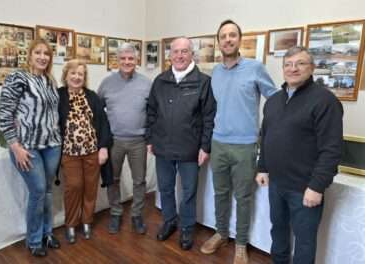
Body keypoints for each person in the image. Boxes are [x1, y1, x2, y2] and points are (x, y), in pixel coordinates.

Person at [256, 46, 343, 264]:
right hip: (276, 184)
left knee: (304, 241)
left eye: (300, 63)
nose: (293, 69)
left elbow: (331, 149)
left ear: (312, 68)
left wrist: (317, 186)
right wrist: (262, 167)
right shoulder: (274, 100)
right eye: (288, 64)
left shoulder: (325, 101)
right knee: (278, 232)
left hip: (305, 188)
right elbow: (265, 135)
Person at [200, 19, 277, 264]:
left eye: (232, 35)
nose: (228, 40)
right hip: (219, 143)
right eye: (223, 36)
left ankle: (241, 243)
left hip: (245, 146)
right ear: (219, 41)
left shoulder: (255, 68)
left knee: (243, 197)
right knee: (220, 193)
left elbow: (275, 103)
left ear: (239, 40)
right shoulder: (216, 73)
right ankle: (221, 233)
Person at [146, 37, 216, 250]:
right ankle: (169, 221)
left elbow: (208, 117)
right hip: (163, 147)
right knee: (165, 188)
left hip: (190, 149)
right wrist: (149, 138)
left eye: (184, 51)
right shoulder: (160, 80)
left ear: (191, 54)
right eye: (175, 51)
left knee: (188, 192)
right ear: (170, 55)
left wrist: (205, 146)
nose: (179, 55)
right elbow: (151, 112)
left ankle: (186, 228)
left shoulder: (203, 81)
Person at [0, 39, 61, 257]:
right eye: (38, 52)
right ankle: (34, 240)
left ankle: (47, 233)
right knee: (38, 191)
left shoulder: (49, 79)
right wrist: (15, 147)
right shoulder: (18, 77)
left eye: (46, 53)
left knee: (48, 190)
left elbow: (53, 113)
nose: (42, 57)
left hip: (52, 145)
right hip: (27, 147)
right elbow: (5, 114)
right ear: (30, 55)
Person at [98, 42, 152, 234]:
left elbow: (153, 112)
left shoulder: (147, 83)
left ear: (136, 60)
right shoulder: (106, 83)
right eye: (123, 58)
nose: (127, 62)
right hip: (114, 141)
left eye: (131, 58)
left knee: (139, 181)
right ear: (117, 60)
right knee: (113, 179)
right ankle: (115, 212)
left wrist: (151, 138)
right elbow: (98, 111)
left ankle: (137, 215)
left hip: (139, 141)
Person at [58, 59, 112, 244]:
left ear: (84, 77)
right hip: (69, 153)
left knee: (90, 187)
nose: (76, 77)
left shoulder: (92, 96)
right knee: (73, 187)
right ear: (66, 75)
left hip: (91, 152)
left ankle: (87, 221)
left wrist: (103, 147)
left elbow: (104, 123)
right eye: (73, 73)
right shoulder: (58, 96)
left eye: (80, 74)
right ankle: (71, 224)